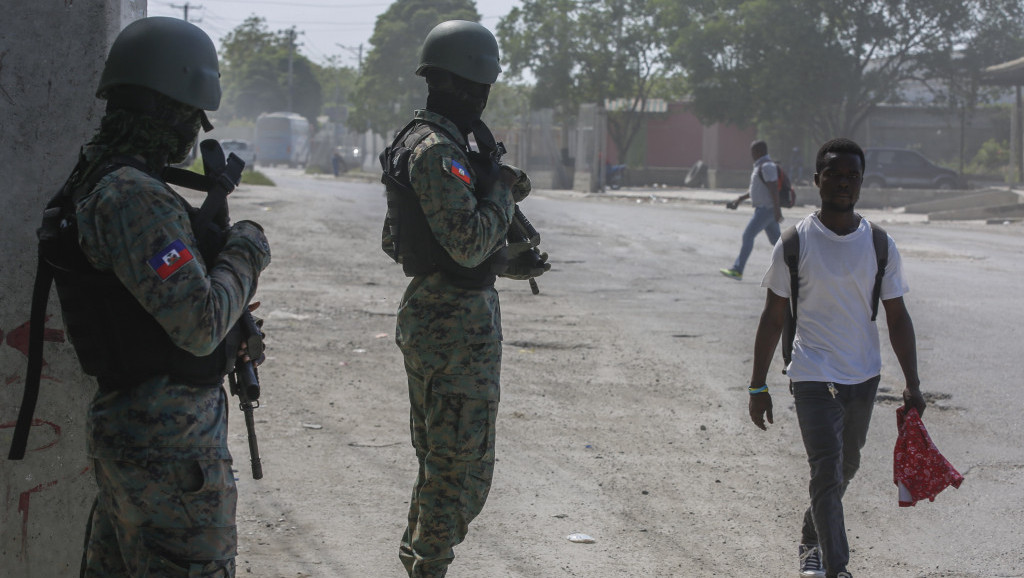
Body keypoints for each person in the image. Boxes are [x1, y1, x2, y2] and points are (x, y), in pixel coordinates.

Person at [52, 17, 271, 576]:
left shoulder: (103, 179)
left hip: (140, 441)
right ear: (169, 108)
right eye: (192, 117)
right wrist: (246, 247)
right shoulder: (132, 196)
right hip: (170, 451)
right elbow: (199, 322)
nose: (193, 133)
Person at [379, 20, 548, 578]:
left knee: (444, 464)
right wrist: (499, 191)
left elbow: (407, 240)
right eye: (479, 87)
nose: (483, 97)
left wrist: (509, 257)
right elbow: (468, 241)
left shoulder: (428, 141)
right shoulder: (438, 150)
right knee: (460, 472)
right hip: (452, 324)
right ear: (458, 85)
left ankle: (420, 562)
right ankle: (428, 567)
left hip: (443, 313)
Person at [746, 138, 926, 578]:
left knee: (846, 466)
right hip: (811, 372)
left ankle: (811, 538)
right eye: (834, 174)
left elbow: (897, 317)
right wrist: (757, 385)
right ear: (817, 180)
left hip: (863, 375)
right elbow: (772, 318)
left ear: (861, 183)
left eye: (852, 176)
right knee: (826, 468)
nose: (843, 183)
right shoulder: (794, 242)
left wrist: (913, 382)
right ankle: (837, 569)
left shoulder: (880, 244)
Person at [720, 140, 784, 280]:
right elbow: (756, 190)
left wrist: (777, 210)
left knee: (747, 236)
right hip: (766, 210)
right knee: (778, 242)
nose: (751, 155)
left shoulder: (767, 166)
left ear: (759, 151)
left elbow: (774, 189)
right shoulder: (761, 166)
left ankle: (738, 269)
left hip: (766, 210)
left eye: (752, 152)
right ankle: (798, 267)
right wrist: (740, 199)